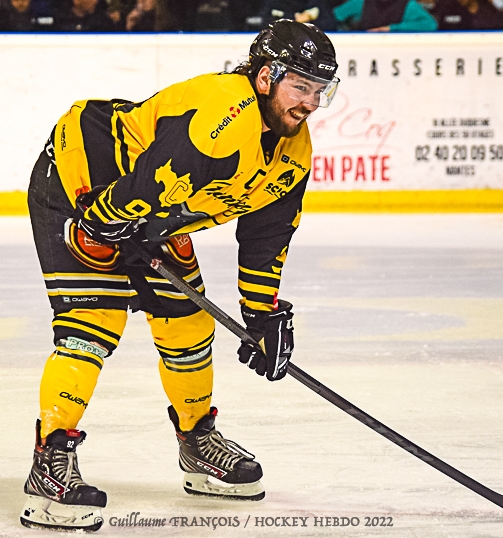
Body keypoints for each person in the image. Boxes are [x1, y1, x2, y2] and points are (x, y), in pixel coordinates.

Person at [20, 19, 339, 533]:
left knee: (188, 323)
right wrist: (108, 225)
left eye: (320, 90)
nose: (310, 103)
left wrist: (261, 315)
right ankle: (49, 463)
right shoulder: (222, 112)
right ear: (265, 78)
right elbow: (146, 183)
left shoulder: (293, 151)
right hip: (82, 180)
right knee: (92, 324)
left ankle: (197, 443)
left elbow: (265, 238)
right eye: (300, 86)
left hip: (146, 206)